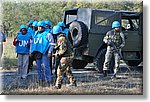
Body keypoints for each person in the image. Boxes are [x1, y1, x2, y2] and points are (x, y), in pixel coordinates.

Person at [30, 21, 54, 86]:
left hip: (45, 53)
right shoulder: (35, 34)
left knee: (46, 66)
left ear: (43, 27)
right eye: (38, 27)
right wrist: (31, 51)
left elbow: (52, 44)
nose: (39, 28)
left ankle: (48, 80)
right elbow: (32, 43)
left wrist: (49, 52)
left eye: (41, 27)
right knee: (38, 67)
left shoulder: (48, 34)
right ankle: (41, 79)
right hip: (37, 53)